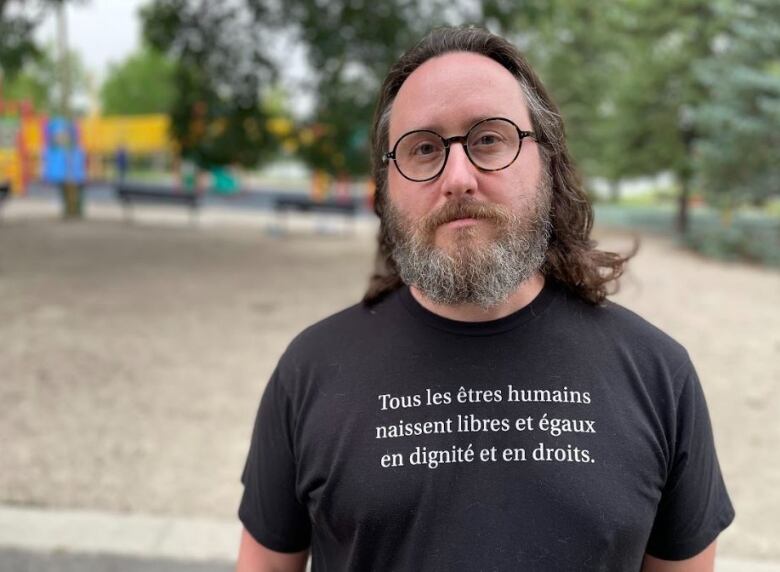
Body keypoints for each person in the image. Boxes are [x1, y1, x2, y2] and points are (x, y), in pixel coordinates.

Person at [236, 26, 734, 571]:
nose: (458, 177)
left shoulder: (657, 373)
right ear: (386, 188)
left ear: (548, 163)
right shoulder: (309, 370)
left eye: (489, 139)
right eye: (423, 149)